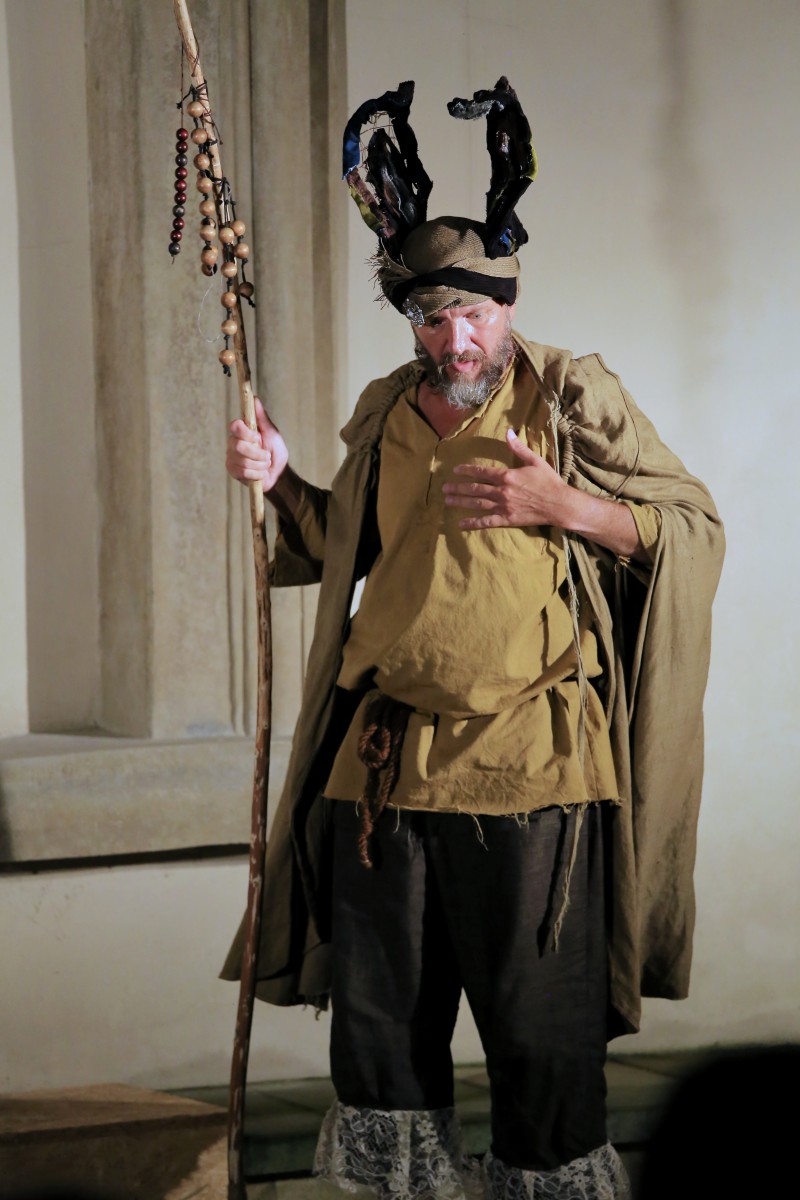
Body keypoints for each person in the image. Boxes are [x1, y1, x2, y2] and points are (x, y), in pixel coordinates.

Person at [222, 80, 724, 1200]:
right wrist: (279, 482)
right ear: (409, 318)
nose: (459, 338)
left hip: (530, 764)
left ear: (509, 302)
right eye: (435, 318)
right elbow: (348, 547)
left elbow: (688, 527)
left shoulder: (568, 399)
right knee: (382, 1037)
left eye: (479, 315)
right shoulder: (388, 410)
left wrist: (567, 507)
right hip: (384, 767)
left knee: (540, 1037)